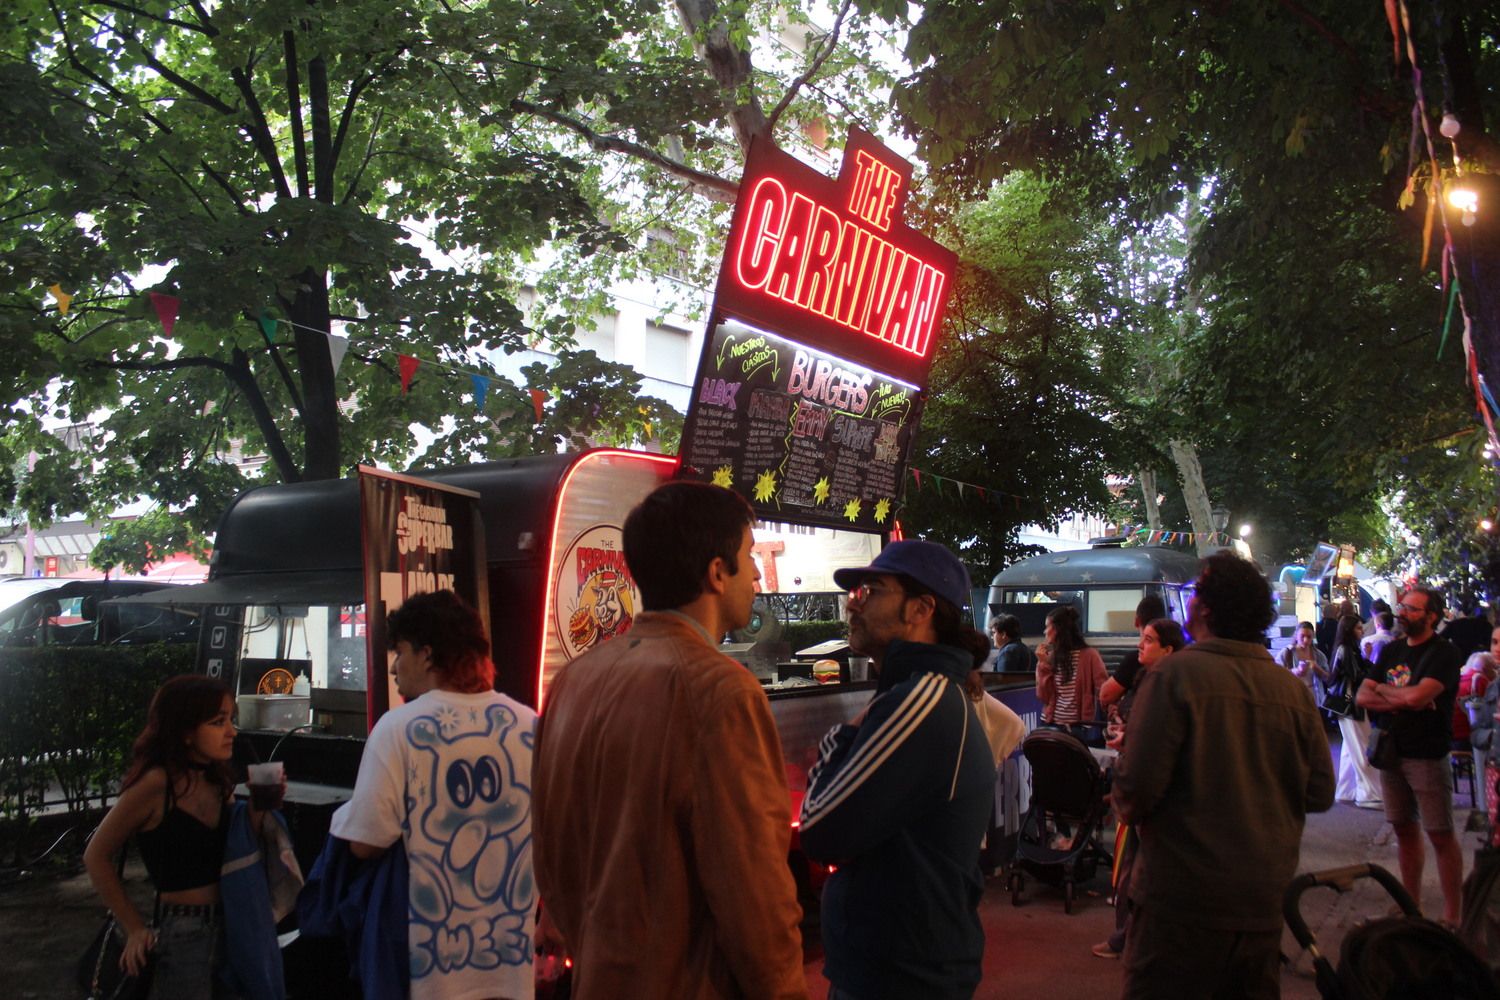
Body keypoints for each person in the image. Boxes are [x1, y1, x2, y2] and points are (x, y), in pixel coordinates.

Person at [532, 482, 806, 1000]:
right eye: (748, 556)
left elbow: (549, 850)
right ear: (716, 572)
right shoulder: (720, 691)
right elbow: (756, 897)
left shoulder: (573, 681)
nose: (755, 573)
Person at [1112, 551, 1334, 1000]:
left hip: (1179, 905)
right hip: (1261, 904)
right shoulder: (1290, 689)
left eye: (1193, 593)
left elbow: (1136, 789)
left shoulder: (1174, 676)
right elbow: (1320, 791)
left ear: (1205, 608)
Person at [799, 540, 996, 1000]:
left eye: (871, 590)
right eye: (854, 593)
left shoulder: (920, 700)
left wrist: (841, 735)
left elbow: (819, 830)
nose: (853, 604)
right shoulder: (916, 692)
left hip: (902, 976)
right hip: (893, 965)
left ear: (921, 609)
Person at [330, 589, 537, 1000]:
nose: (393, 667)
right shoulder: (530, 724)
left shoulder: (399, 728)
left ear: (427, 654)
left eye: (400, 651)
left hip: (432, 971)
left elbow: (366, 842)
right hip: (513, 965)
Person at [84, 675, 292, 999]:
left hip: (235, 923)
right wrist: (134, 928)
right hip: (182, 931)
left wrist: (258, 807)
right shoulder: (156, 784)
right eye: (217, 722)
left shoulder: (217, 780)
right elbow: (95, 855)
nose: (231, 732)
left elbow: (235, 851)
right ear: (185, 731)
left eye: (230, 720)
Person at [1355, 585, 1466, 926]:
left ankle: (1452, 916)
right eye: (1402, 606)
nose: (1403, 612)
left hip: (1427, 754)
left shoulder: (1443, 652)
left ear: (1432, 616)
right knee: (1403, 828)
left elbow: (1419, 698)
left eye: (1413, 609)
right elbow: (1362, 696)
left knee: (1440, 832)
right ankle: (1410, 906)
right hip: (1391, 751)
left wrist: (1395, 695)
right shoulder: (1392, 651)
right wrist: (1403, 696)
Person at [1093, 617, 1185, 962]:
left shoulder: (1169, 687)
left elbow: (1159, 743)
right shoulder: (1147, 681)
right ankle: (1127, 936)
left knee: (1137, 871)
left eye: (1147, 640)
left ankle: (1130, 940)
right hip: (1139, 787)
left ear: (1168, 649)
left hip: (1149, 797)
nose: (1139, 646)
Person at [1328, 614, 1382, 809]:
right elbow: (1357, 675)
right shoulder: (1348, 650)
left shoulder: (1347, 649)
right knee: (1362, 746)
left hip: (1347, 705)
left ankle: (1346, 790)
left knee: (1351, 748)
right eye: (1359, 628)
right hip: (1352, 705)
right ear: (1350, 630)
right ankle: (1368, 793)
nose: (1362, 631)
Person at [1036, 603, 1108, 743]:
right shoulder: (1050, 657)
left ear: (1058, 629)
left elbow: (1104, 689)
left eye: (1047, 626)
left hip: (1078, 728)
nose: (1044, 632)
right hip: (1050, 723)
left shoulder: (1090, 656)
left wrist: (1113, 717)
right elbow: (1043, 697)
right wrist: (1043, 665)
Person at [1098, 594, 1169, 711]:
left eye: (1149, 640)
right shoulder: (1182, 658)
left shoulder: (1136, 659)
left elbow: (1106, 695)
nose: (1140, 645)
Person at [1280, 621, 1330, 707]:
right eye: (1302, 636)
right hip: (1294, 698)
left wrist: (1317, 669)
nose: (1305, 640)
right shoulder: (1287, 653)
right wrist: (1294, 672)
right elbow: (1277, 676)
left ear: (1313, 636)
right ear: (1296, 636)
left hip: (1315, 699)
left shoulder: (1319, 655)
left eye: (1309, 637)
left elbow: (1328, 678)